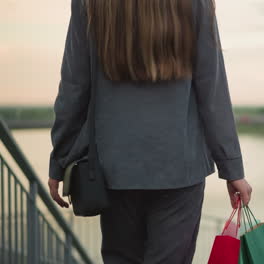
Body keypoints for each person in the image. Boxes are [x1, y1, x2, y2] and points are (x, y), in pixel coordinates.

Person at [47, 0, 252, 263]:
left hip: (114, 170)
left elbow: (74, 85)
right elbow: (212, 88)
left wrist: (60, 159)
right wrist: (232, 167)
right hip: (180, 169)